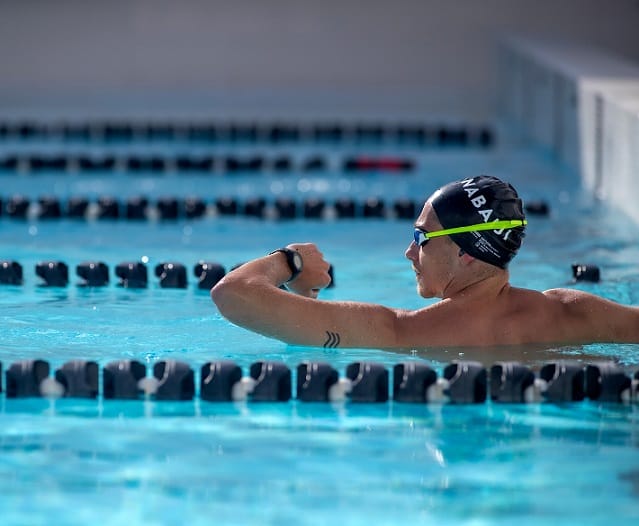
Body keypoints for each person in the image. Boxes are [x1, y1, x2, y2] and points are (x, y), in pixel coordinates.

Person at [211, 175, 639, 351]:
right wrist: (307, 295)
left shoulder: (403, 333)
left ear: (465, 253)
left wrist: (290, 261)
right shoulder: (579, 312)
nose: (409, 252)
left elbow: (232, 295)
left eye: (421, 237)